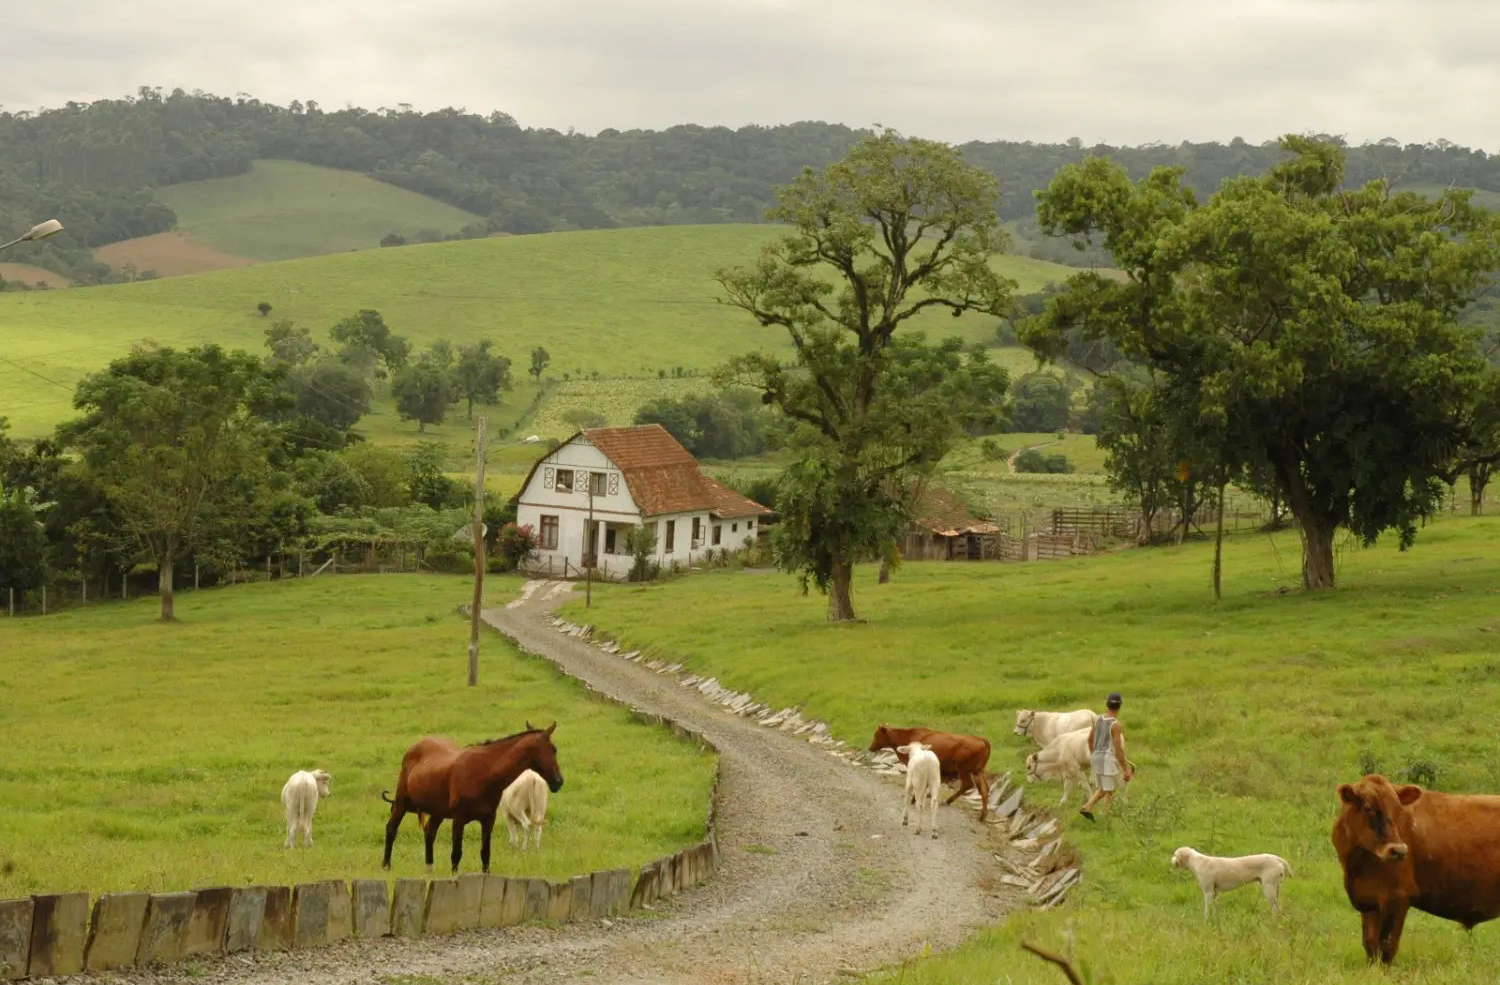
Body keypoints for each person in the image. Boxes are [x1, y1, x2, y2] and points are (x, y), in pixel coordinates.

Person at [1079, 692, 1132, 821]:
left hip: (1096, 757)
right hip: (1106, 759)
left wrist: (1094, 754)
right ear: (1120, 706)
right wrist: (1125, 769)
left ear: (1106, 704)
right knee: (1111, 787)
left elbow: (1090, 738)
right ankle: (1090, 808)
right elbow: (1118, 749)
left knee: (1106, 788)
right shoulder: (1115, 725)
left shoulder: (1098, 719)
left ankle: (1099, 811)